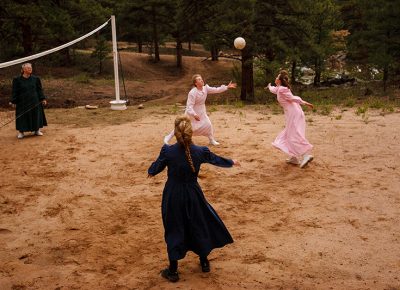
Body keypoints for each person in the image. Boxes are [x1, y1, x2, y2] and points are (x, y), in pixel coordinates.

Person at [149, 115, 240, 282]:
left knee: (174, 227)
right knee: (198, 224)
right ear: (191, 133)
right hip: (193, 193)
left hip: (173, 195)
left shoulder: (167, 151)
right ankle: (204, 262)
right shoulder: (200, 151)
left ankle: (173, 270)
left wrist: (151, 169)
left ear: (176, 134)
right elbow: (216, 160)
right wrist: (231, 162)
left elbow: (155, 169)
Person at [163, 74, 237, 146]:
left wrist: (227, 87)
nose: (201, 80)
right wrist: (194, 114)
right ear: (195, 83)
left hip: (201, 111)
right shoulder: (192, 92)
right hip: (191, 113)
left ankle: (211, 140)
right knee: (182, 126)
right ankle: (168, 137)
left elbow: (216, 90)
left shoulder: (206, 88)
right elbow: (189, 106)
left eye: (201, 79)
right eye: (199, 79)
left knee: (208, 124)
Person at [266, 70, 314, 168]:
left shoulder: (283, 89)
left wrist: (305, 103)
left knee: (294, 134)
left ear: (279, 80)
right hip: (290, 113)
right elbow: (274, 89)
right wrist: (269, 86)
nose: (275, 78)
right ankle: (294, 158)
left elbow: (293, 98)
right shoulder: (279, 88)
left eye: (277, 77)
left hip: (294, 113)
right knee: (289, 134)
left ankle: (306, 155)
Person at [10, 62, 47, 139]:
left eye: (31, 67)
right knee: (22, 116)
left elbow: (39, 90)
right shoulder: (17, 80)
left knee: (36, 115)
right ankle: (21, 132)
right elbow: (14, 91)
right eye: (28, 68)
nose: (30, 69)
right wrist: (13, 101)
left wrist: (42, 98)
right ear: (23, 69)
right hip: (22, 102)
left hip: (35, 101)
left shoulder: (36, 79)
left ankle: (37, 130)